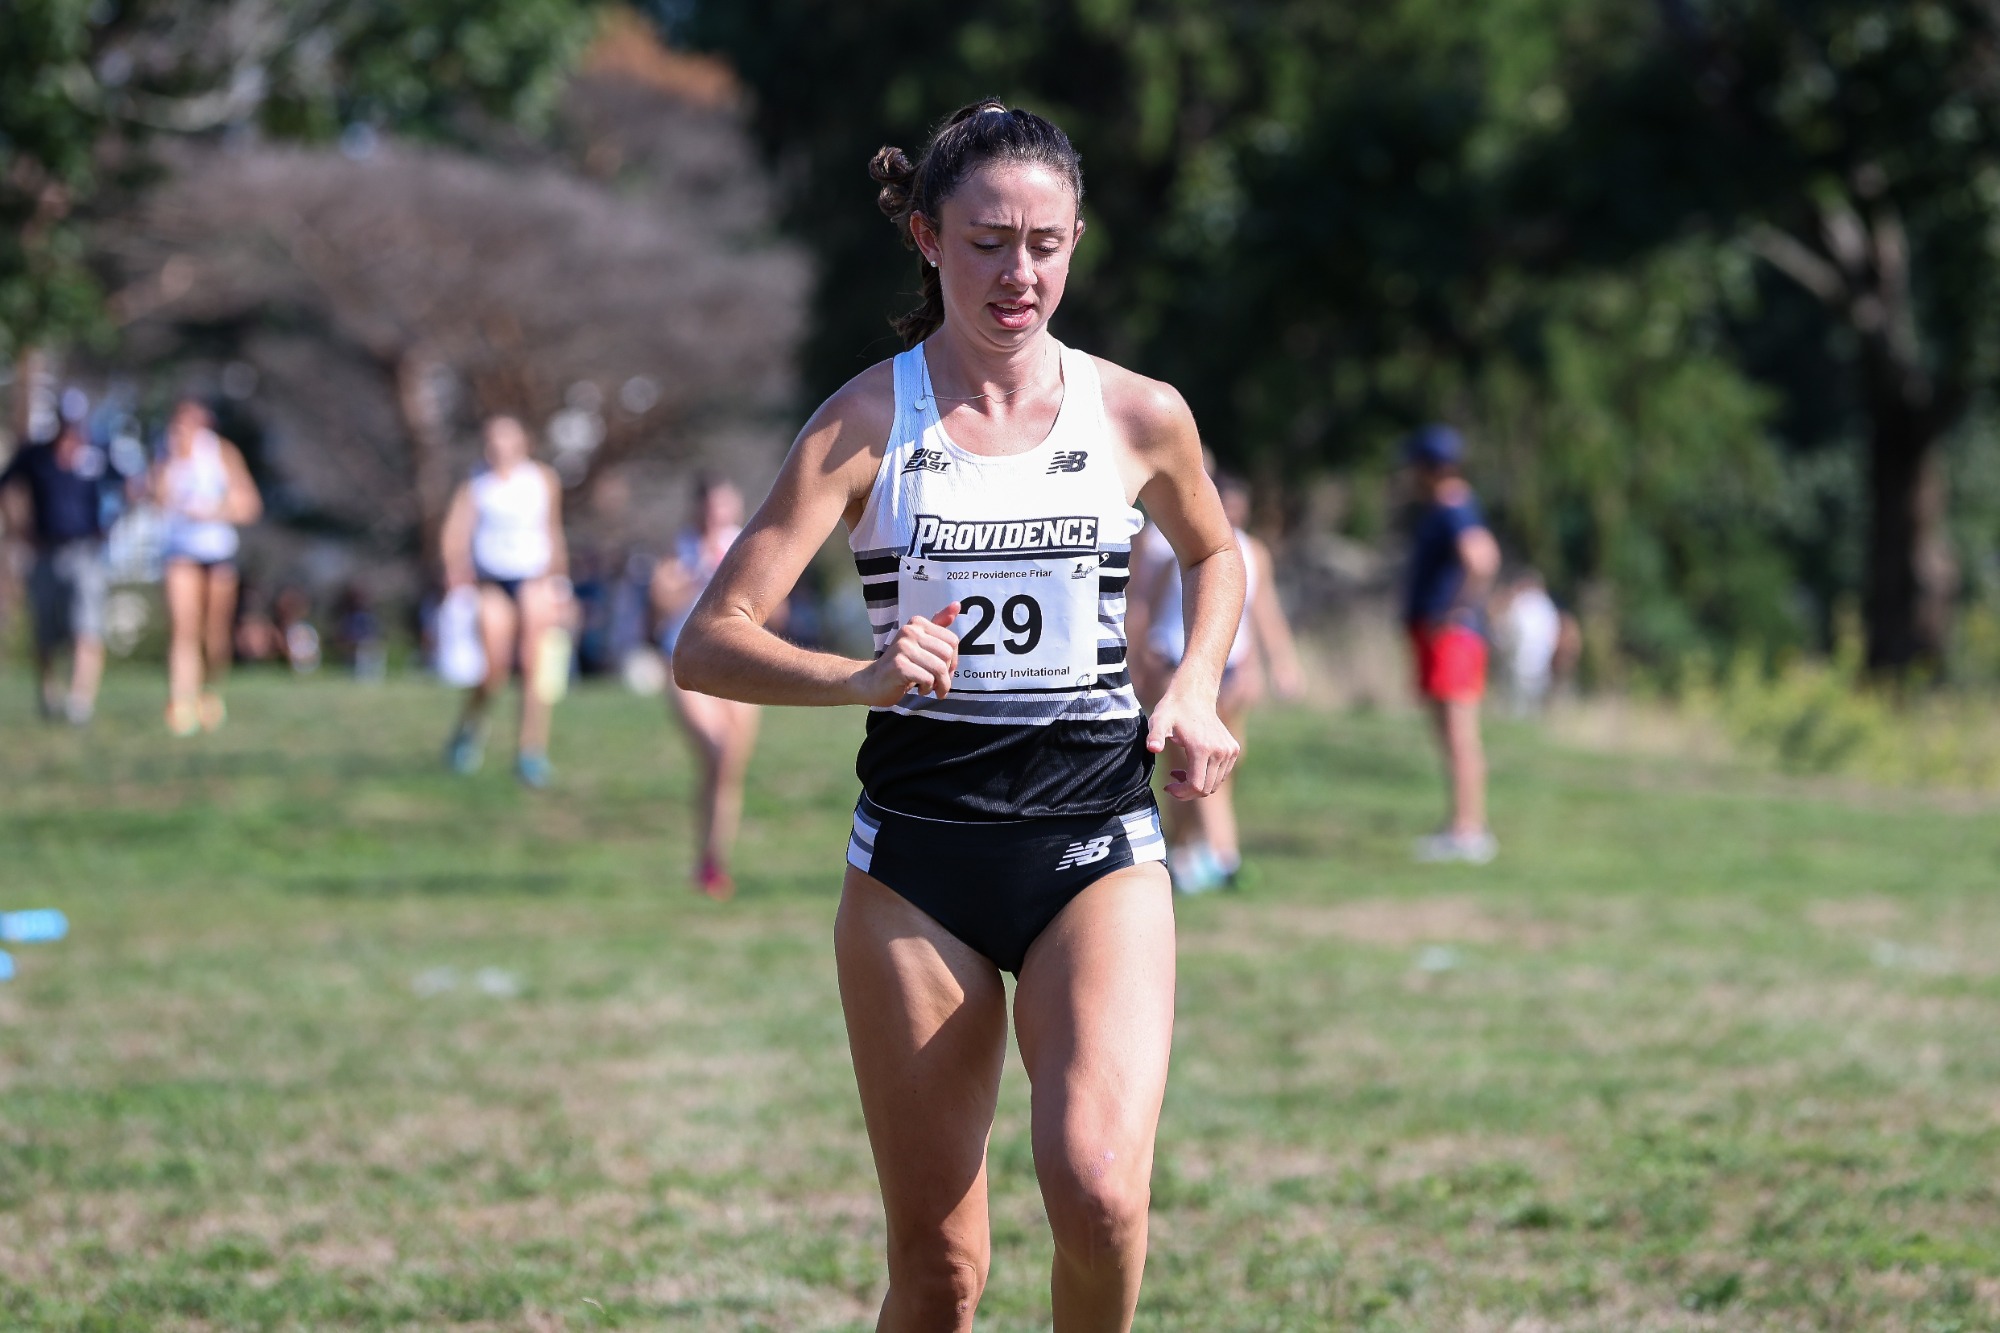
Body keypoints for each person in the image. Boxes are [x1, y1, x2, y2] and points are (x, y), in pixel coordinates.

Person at [671, 101, 1244, 1333]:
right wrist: (862, 678)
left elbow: (1216, 553)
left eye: (1044, 242)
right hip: (916, 866)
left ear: (1077, 240)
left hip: (1093, 843)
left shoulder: (1137, 414)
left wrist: (1191, 684)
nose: (1018, 273)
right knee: (939, 1276)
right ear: (927, 239)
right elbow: (706, 641)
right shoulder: (866, 423)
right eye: (987, 241)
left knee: (1097, 1193)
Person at [1127, 473, 1302, 892]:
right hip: (1177, 664)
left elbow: (1259, 613)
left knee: (1224, 761)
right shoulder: (1173, 548)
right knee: (1189, 762)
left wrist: (1271, 663)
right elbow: (1146, 607)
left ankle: (1184, 849)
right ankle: (1223, 860)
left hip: (1231, 669)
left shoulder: (1252, 552)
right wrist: (1138, 658)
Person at [439, 415, 571, 788]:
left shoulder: (541, 479)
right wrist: (455, 568)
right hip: (492, 582)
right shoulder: (476, 484)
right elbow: (455, 533)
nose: (498, 448)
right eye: (491, 440)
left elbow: (552, 531)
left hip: (533, 581)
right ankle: (470, 729)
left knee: (534, 667)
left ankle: (530, 752)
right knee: (492, 671)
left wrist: (560, 583)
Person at [653, 475, 762, 900]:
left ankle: (713, 863)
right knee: (716, 754)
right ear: (698, 509)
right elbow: (659, 601)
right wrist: (699, 571)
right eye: (711, 506)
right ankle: (708, 860)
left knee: (728, 767)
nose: (718, 514)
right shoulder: (679, 549)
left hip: (740, 667)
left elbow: (778, 605)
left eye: (725, 506)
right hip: (689, 668)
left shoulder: (748, 544)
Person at [1401, 424, 1501, 863]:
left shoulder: (1453, 505)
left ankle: (1468, 831)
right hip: (1443, 635)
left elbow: (1481, 558)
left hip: (1452, 637)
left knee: (1460, 735)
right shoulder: (1451, 506)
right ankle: (1462, 825)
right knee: (1450, 734)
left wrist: (1456, 609)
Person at [153, 399, 262, 735]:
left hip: (217, 552)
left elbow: (249, 505)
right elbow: (156, 499)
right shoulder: (167, 456)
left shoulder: (221, 453)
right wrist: (170, 462)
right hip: (180, 552)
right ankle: (180, 701)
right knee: (183, 625)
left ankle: (210, 692)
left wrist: (213, 510)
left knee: (214, 632)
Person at [0, 414, 114, 724]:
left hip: (86, 553)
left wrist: (111, 526)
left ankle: (80, 701)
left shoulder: (98, 456)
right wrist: (16, 528)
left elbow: (131, 487)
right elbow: (5, 485)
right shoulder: (35, 456)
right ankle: (49, 694)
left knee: (86, 627)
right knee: (46, 633)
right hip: (45, 552)